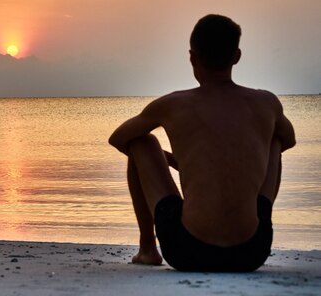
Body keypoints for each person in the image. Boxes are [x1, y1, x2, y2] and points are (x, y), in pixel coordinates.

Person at [108, 14, 296, 272]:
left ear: (192, 58)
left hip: (187, 250)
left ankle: (148, 248)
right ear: (237, 56)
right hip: (252, 251)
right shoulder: (266, 103)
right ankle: (248, 218)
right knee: (275, 138)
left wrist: (176, 162)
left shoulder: (173, 104)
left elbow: (119, 139)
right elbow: (289, 140)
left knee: (142, 143)